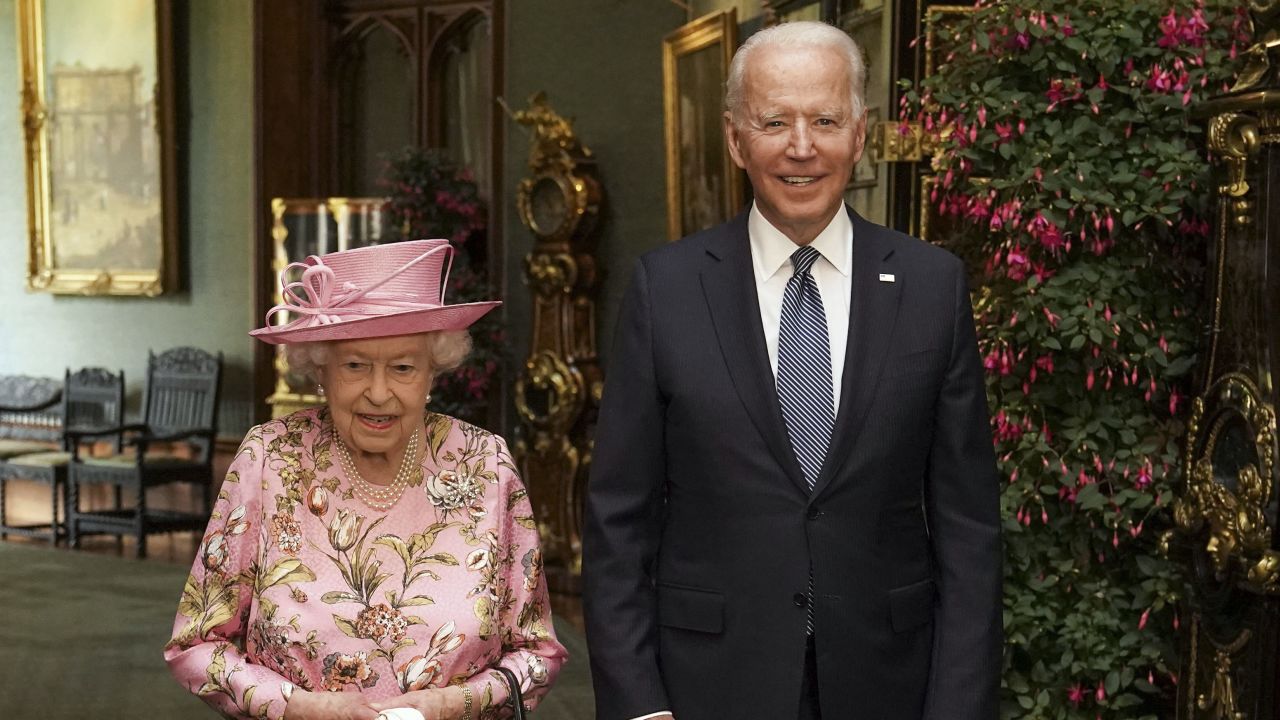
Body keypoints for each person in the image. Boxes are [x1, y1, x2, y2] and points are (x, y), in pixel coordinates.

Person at [582, 21, 1001, 720]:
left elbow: (968, 530)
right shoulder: (668, 288)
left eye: (826, 119)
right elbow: (617, 521)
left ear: (860, 134)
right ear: (734, 138)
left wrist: (958, 706)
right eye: (774, 121)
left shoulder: (934, 287)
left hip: (889, 684)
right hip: (708, 687)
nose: (801, 146)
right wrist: (637, 705)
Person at [165, 239, 566, 720]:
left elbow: (537, 655)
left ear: (432, 373)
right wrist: (298, 708)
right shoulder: (270, 459)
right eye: (355, 365)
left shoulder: (485, 464)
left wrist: (456, 703)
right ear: (321, 369)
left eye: (402, 367)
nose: (379, 393)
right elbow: (196, 646)